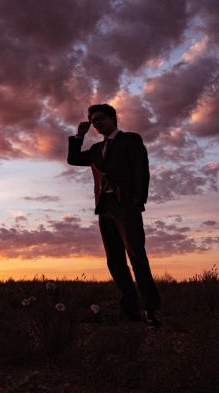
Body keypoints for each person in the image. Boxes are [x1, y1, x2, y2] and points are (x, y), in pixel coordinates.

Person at [67, 103, 161, 325]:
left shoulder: (131, 139)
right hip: (105, 207)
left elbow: (141, 170)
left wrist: (138, 200)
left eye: (100, 119)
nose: (96, 124)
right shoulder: (96, 151)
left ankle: (152, 309)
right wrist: (79, 136)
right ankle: (130, 310)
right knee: (115, 261)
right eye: (93, 121)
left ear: (113, 118)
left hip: (126, 205)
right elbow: (73, 159)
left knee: (136, 256)